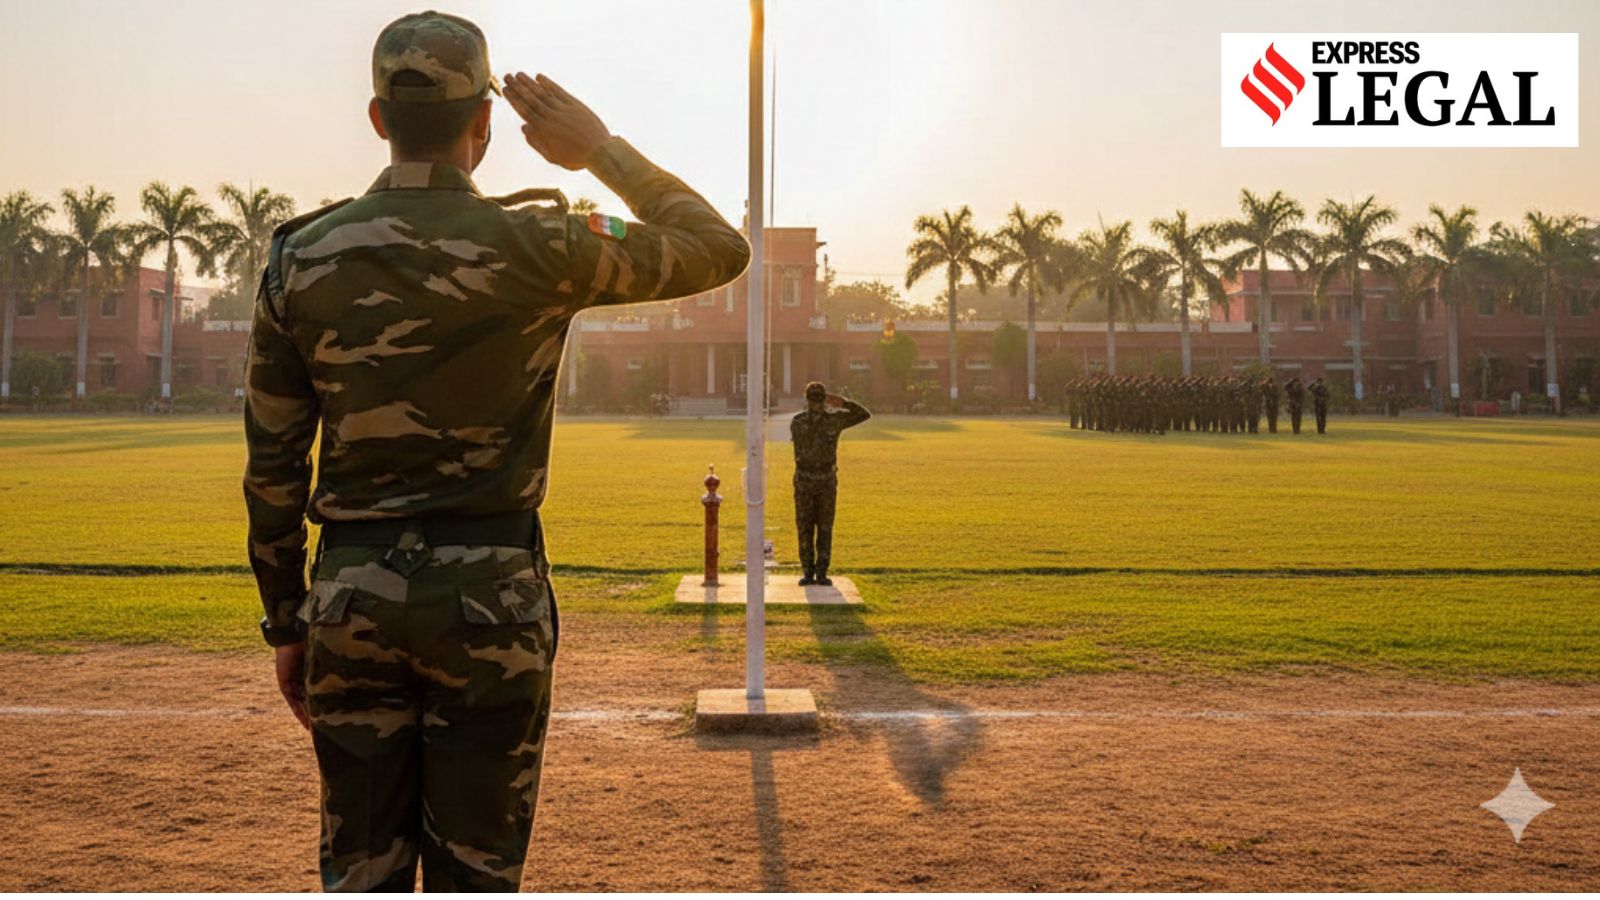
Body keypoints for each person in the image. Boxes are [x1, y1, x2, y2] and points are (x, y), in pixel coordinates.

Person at [243, 12, 750, 891]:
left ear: (378, 117)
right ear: (484, 121)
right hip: (491, 601)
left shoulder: (303, 256)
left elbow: (273, 469)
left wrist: (288, 623)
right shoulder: (543, 243)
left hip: (351, 601)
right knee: (477, 876)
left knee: (359, 875)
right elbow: (718, 249)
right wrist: (600, 151)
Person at [790, 381, 871, 586]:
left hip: (825, 480)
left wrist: (844, 402)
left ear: (824, 399)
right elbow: (861, 414)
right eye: (813, 399)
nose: (816, 403)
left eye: (819, 399)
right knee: (805, 528)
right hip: (805, 480)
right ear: (808, 400)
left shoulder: (833, 420)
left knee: (825, 528)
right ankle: (808, 572)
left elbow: (864, 415)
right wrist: (841, 403)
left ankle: (821, 573)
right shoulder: (799, 421)